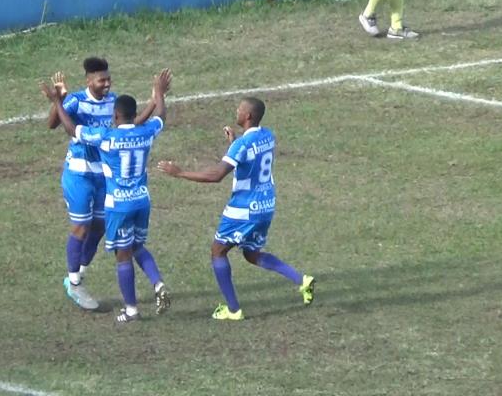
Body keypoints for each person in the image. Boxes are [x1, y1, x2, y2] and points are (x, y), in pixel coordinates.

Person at [157, 97, 314, 321]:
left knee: (218, 251)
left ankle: (233, 310)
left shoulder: (241, 145)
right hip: (265, 206)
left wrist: (179, 172)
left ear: (248, 116)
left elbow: (216, 175)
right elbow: (250, 155)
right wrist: (233, 142)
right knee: (252, 254)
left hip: (243, 209)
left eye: (240, 109)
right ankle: (302, 281)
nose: (236, 111)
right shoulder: (267, 136)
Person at [41, 69, 173, 323]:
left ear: (114, 115)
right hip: (142, 200)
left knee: (122, 255)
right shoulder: (145, 133)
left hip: (118, 204)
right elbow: (161, 117)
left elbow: (72, 129)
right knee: (136, 246)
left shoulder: (106, 138)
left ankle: (131, 309)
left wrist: (56, 101)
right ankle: (157, 284)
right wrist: (158, 94)